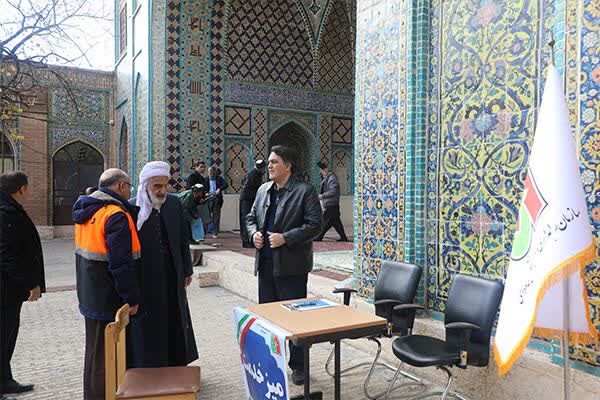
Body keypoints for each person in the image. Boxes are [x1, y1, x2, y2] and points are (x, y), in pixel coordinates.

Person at [246, 146, 323, 386]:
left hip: (292, 269)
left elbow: (315, 225)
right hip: (266, 266)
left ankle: (298, 366)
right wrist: (254, 234)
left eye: (274, 162)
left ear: (287, 166)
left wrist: (286, 238)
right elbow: (250, 217)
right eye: (269, 162)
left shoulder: (304, 191)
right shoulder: (263, 190)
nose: (269, 166)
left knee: (295, 321)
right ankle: (271, 362)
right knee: (269, 320)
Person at [72, 168, 141, 400]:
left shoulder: (87, 210)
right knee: (106, 356)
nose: (130, 192)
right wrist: (131, 298)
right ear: (121, 186)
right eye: (129, 187)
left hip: (89, 293)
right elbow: (120, 264)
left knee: (94, 352)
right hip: (108, 297)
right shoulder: (115, 214)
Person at [128, 161, 198, 368]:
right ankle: (151, 366)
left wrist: (187, 270)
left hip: (172, 272)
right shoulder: (132, 207)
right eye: (156, 186)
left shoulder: (174, 203)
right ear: (145, 185)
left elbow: (183, 239)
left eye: (165, 185)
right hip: (146, 276)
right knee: (150, 319)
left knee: (174, 315)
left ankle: (175, 362)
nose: (161, 190)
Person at [0, 172, 45, 400]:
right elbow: (6, 255)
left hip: (9, 291)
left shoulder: (9, 208)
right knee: (3, 337)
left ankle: (5, 381)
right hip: (5, 291)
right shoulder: (5, 212)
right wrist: (30, 284)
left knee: (7, 337)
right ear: (22, 189)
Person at [315, 162, 348, 242]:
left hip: (331, 204)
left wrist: (322, 196)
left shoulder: (332, 179)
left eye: (322, 171)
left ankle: (319, 237)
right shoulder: (327, 178)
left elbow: (333, 191)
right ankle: (343, 237)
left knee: (325, 222)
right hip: (331, 204)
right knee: (336, 222)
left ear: (325, 170)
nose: (322, 173)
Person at [239, 159, 266, 248]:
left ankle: (249, 241)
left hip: (249, 200)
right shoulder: (252, 175)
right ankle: (247, 241)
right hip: (247, 201)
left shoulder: (255, 174)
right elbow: (246, 189)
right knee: (247, 220)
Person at [207, 165, 228, 239]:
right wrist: (205, 192)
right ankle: (204, 232)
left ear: (215, 173)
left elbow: (226, 185)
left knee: (216, 217)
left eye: (212, 173)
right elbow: (202, 188)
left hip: (217, 199)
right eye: (210, 173)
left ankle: (215, 232)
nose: (211, 174)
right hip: (208, 199)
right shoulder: (205, 179)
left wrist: (220, 189)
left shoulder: (219, 179)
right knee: (206, 216)